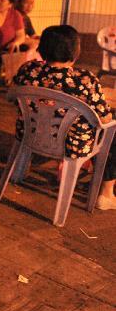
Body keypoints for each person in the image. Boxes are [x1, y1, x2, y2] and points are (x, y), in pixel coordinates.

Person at [12, 25, 115, 211]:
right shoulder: (85, 80)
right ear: (75, 51)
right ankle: (106, 193)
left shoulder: (27, 70)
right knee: (113, 128)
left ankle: (25, 168)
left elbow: (14, 99)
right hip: (73, 145)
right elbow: (105, 118)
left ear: (41, 49)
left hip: (30, 133)